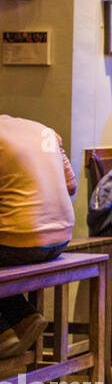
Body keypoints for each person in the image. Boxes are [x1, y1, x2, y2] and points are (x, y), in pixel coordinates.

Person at [0, 116, 76, 358]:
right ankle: (25, 318)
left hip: (20, 241)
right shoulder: (44, 129)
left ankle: (3, 334)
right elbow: (71, 186)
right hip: (61, 237)